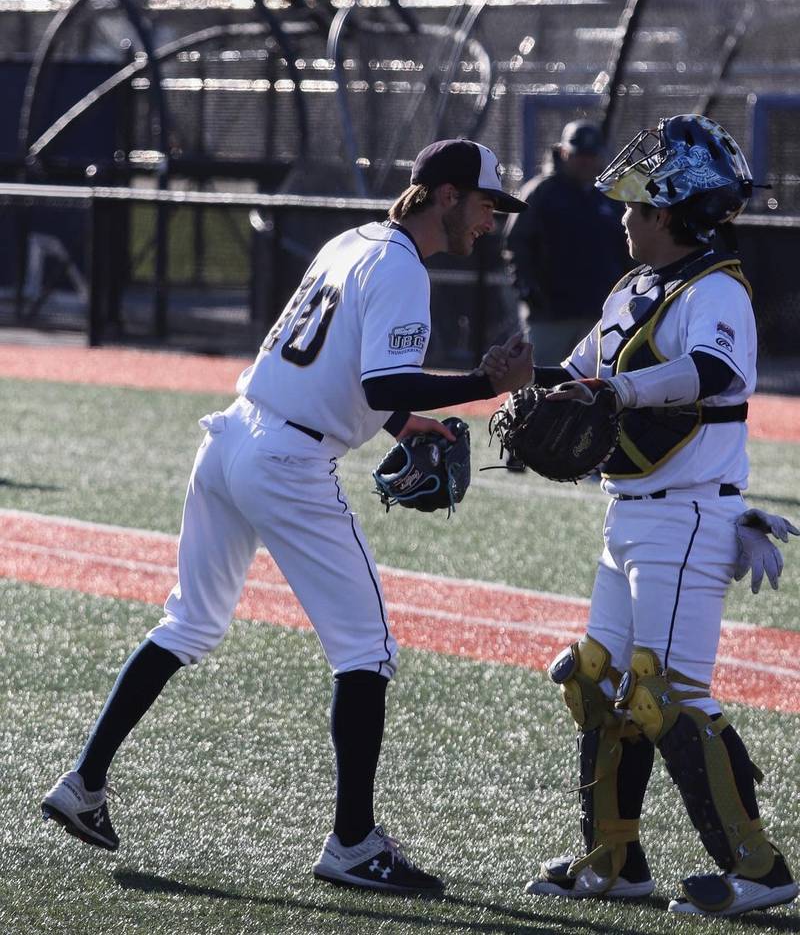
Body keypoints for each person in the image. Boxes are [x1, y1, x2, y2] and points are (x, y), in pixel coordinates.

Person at [41, 139, 533, 895]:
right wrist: (481, 382)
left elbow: (334, 363)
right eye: (486, 204)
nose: (491, 222)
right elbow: (381, 378)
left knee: (189, 623)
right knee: (367, 650)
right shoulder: (402, 265)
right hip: (288, 463)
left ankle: (84, 783)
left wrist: (405, 425)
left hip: (233, 436)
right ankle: (353, 843)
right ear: (445, 195)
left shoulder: (354, 242)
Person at [491, 114, 798, 917]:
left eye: (636, 206)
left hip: (689, 517)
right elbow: (586, 371)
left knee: (667, 697)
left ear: (669, 215)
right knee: (597, 683)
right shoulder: (633, 288)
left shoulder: (717, 288)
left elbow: (712, 371)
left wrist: (617, 392)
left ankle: (759, 871)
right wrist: (534, 378)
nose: (624, 216)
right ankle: (614, 861)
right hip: (628, 512)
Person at [503, 119, 629, 365]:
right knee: (539, 386)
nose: (586, 161)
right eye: (579, 154)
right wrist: (528, 289)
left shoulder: (611, 196)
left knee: (592, 391)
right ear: (563, 152)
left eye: (592, 155)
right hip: (550, 315)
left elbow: (627, 248)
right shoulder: (541, 192)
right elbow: (516, 244)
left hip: (600, 313)